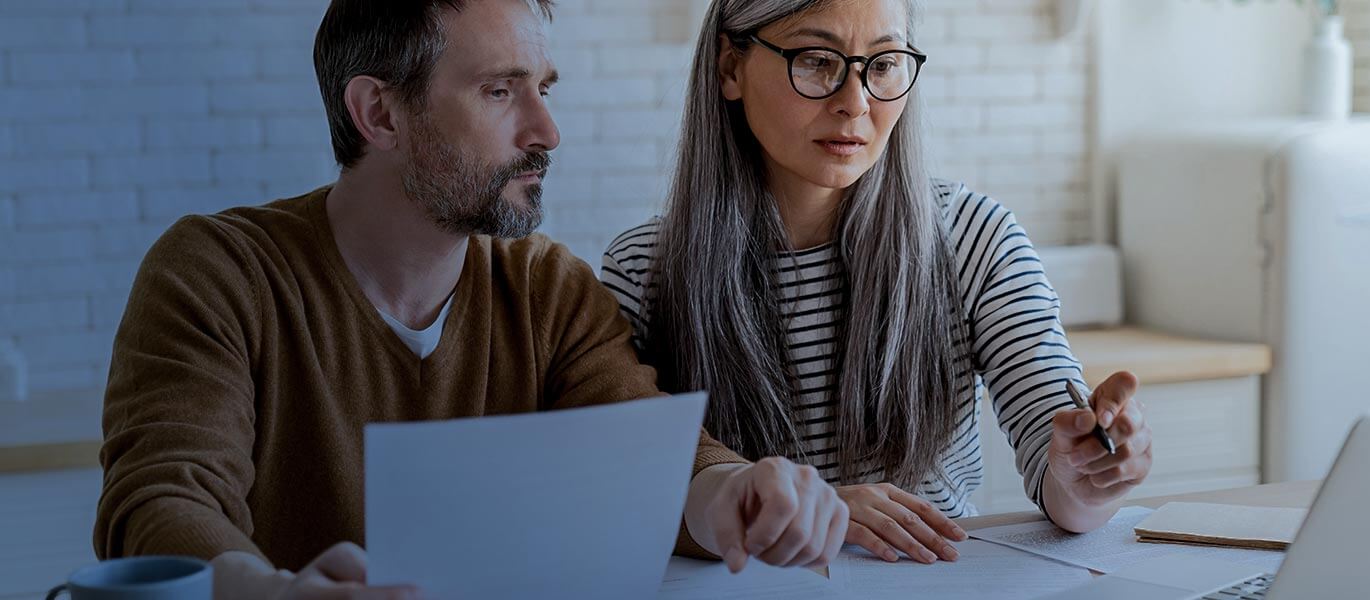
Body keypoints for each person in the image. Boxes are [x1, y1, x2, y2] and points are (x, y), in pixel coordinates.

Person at [93, 1, 847, 597]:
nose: (546, 130)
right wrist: (275, 594)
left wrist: (735, 494)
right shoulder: (218, 274)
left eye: (542, 90)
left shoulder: (548, 288)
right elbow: (160, 504)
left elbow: (649, 456)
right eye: (499, 91)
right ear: (379, 114)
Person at [602, 0, 1153, 566]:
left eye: (885, 64)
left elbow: (1061, 475)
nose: (856, 102)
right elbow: (626, 496)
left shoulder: (974, 237)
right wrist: (813, 516)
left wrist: (1089, 475)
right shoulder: (643, 269)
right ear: (729, 68)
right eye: (816, 61)